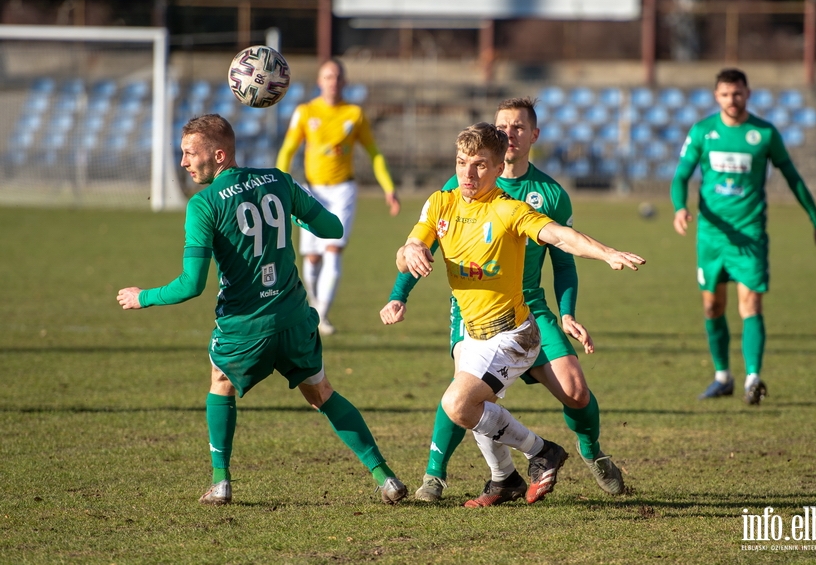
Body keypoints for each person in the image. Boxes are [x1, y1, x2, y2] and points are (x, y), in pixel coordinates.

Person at [117, 114, 407, 506]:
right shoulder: (279, 179)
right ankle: (385, 477)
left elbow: (191, 285)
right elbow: (332, 229)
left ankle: (221, 483)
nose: (183, 163)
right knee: (321, 392)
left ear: (219, 155)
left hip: (244, 327)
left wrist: (143, 296)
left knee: (220, 381)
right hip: (292, 318)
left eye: (190, 154)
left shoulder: (203, 205)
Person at [381, 98, 627, 504]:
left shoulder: (535, 199)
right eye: (501, 127)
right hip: (471, 313)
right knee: (468, 397)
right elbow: (418, 244)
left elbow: (563, 251)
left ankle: (584, 452)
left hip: (524, 313)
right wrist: (400, 287)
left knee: (573, 392)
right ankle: (454, 476)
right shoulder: (449, 193)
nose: (508, 134)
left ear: (532, 136)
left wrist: (579, 294)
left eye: (516, 128)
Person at [670, 68, 816, 405]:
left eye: (738, 93)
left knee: (751, 303)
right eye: (725, 94)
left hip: (750, 234)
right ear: (716, 96)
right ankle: (723, 376)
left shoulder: (764, 133)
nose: (732, 100)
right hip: (712, 236)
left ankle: (753, 378)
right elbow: (682, 174)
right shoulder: (703, 131)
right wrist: (679, 207)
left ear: (748, 93)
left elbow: (793, 178)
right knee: (713, 307)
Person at [277, 58, 401, 336]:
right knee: (311, 258)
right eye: (328, 77)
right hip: (310, 191)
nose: (333, 81)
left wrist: (388, 188)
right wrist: (281, 183)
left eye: (337, 77)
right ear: (320, 81)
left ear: (344, 82)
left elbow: (374, 153)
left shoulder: (354, 114)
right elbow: (287, 150)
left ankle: (321, 315)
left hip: (343, 190)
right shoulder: (305, 112)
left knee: (333, 250)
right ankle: (314, 304)